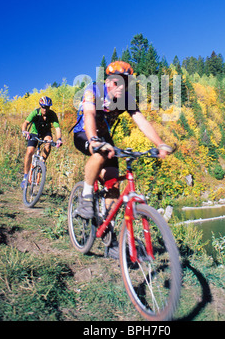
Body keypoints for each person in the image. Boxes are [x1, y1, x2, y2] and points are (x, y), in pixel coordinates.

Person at [73, 61, 173, 257]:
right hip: (85, 133)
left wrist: (160, 144)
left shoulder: (126, 98)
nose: (120, 86)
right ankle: (85, 197)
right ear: (107, 82)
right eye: (116, 82)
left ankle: (109, 238)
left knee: (113, 182)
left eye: (125, 82)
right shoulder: (93, 90)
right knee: (100, 152)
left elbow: (141, 121)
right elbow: (90, 114)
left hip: (105, 137)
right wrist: (93, 140)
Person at [20, 96, 62, 188]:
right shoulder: (35, 112)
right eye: (43, 107)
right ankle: (25, 177)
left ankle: (42, 162)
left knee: (49, 142)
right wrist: (25, 131)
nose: (45, 109)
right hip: (34, 133)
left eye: (47, 107)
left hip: (46, 133)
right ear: (40, 106)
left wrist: (59, 139)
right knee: (30, 151)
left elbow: (57, 128)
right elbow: (25, 123)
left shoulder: (52, 115)